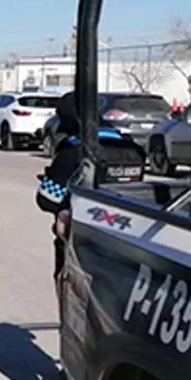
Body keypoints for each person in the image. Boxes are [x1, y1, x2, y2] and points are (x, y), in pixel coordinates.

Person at [36, 92, 145, 282]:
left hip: (81, 246)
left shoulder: (73, 152)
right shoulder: (131, 149)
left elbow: (47, 199)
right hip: (126, 247)